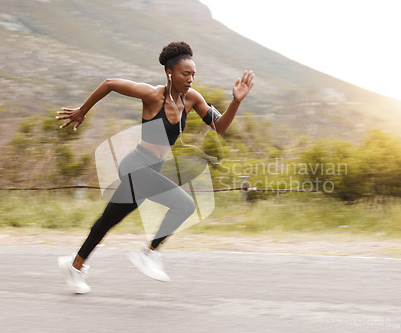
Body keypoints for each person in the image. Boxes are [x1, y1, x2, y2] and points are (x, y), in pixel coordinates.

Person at [56, 41, 255, 293]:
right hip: (135, 166)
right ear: (169, 73)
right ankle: (148, 254)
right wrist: (83, 110)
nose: (191, 79)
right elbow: (109, 84)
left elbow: (220, 127)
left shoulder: (193, 99)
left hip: (151, 170)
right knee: (184, 204)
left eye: (193, 74)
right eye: (186, 74)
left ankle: (74, 267)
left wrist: (236, 101)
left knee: (107, 221)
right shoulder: (152, 95)